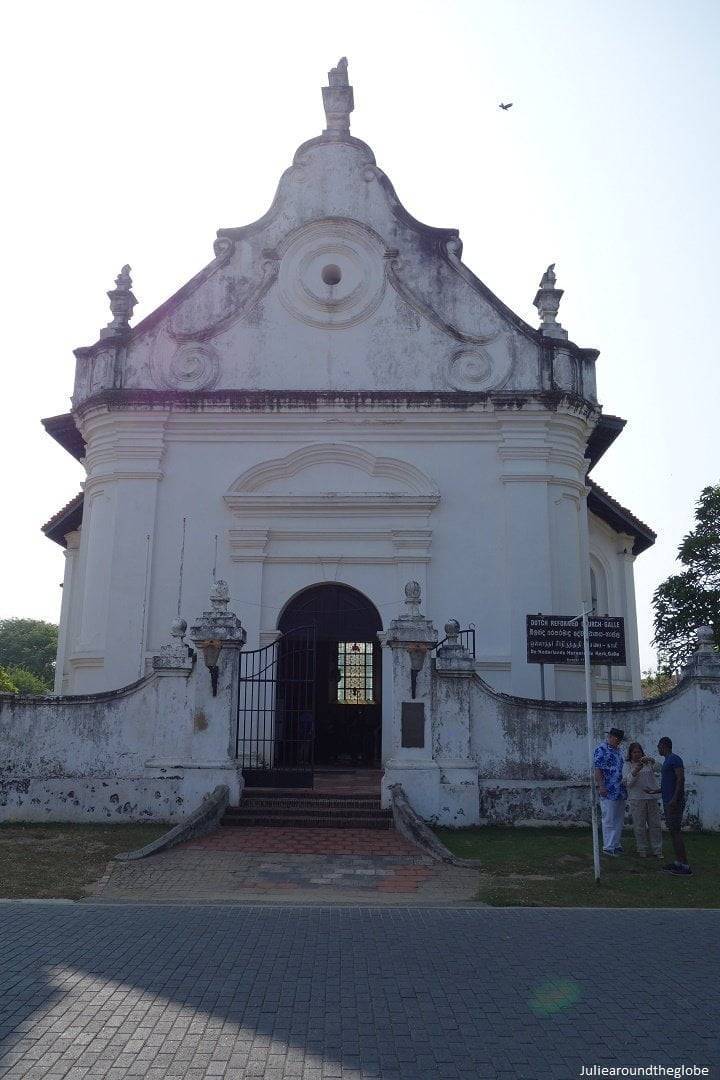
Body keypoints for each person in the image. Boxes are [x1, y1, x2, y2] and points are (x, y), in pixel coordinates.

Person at [652, 736, 692, 876]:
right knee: (673, 832)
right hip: (668, 800)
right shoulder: (667, 761)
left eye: (658, 746)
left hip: (673, 802)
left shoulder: (675, 759)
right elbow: (668, 784)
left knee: (676, 832)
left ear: (664, 746)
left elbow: (680, 779)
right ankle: (678, 862)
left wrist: (674, 800)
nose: (657, 748)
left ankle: (685, 866)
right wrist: (655, 791)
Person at [622, 742, 662, 858]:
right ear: (630, 753)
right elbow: (627, 783)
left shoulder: (648, 763)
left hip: (651, 798)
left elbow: (659, 769)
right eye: (634, 752)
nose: (636, 754)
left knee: (655, 825)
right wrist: (636, 770)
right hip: (637, 799)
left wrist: (652, 761)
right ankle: (642, 849)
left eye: (638, 752)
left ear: (642, 752)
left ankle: (657, 850)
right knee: (639, 826)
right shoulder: (627, 765)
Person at [593, 727, 627, 856]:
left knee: (618, 818)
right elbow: (598, 769)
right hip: (608, 789)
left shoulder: (618, 751)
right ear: (611, 737)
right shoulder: (602, 749)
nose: (618, 742)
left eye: (619, 740)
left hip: (620, 790)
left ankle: (615, 844)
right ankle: (608, 846)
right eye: (617, 739)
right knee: (609, 818)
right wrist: (601, 786)